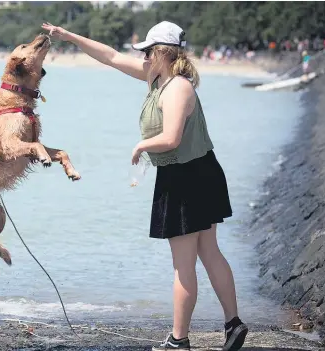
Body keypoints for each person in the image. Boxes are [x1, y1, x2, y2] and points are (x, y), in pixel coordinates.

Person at [41, 21, 248, 351]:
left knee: (185, 264)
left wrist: (141, 145)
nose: (144, 57)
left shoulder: (179, 87)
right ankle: (233, 325)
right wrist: (68, 36)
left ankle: (178, 341)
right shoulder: (156, 77)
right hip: (192, 173)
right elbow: (109, 56)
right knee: (208, 252)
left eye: (149, 52)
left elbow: (171, 138)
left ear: (163, 53)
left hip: (189, 178)